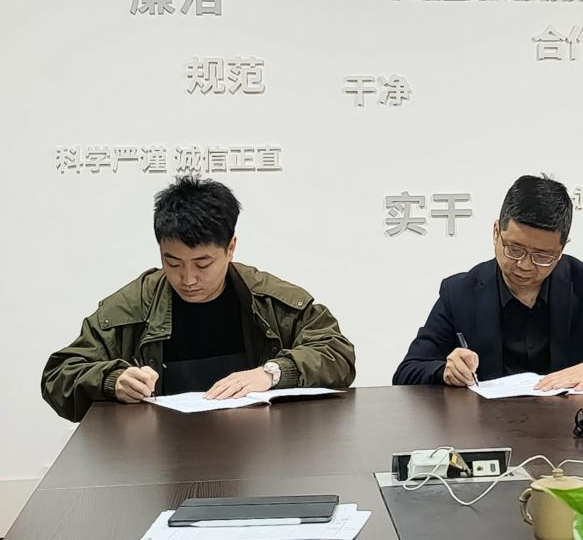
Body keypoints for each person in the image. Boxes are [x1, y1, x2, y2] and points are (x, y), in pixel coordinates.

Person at [42, 176, 356, 422]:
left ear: (230, 248)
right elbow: (58, 376)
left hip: (258, 453)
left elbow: (337, 353)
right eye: (173, 263)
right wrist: (112, 380)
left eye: (203, 264)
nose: (188, 279)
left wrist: (272, 373)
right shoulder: (132, 306)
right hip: (159, 456)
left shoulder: (269, 300)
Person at [393, 174, 583, 390]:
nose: (524, 265)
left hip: (570, 427)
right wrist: (445, 371)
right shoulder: (460, 292)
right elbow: (408, 371)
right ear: (496, 232)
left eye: (542, 256)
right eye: (514, 249)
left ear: (562, 249)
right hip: (488, 430)